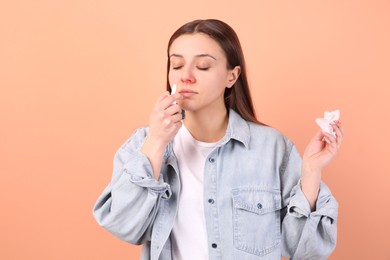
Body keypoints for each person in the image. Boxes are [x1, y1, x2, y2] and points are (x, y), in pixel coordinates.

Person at [93, 19, 344, 260]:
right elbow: (122, 226)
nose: (186, 77)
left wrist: (311, 172)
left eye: (203, 66)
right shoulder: (145, 143)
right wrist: (157, 143)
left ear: (232, 77)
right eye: (177, 65)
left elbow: (306, 251)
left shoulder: (272, 148)